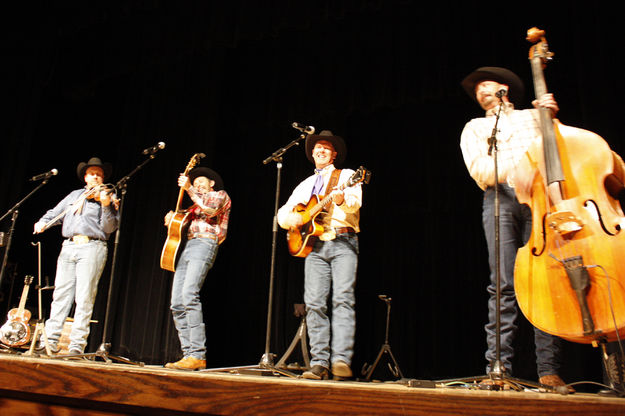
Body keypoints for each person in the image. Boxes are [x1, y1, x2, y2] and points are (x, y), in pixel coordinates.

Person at [459, 67, 568, 388]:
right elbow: (480, 170)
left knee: (543, 282)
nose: (480, 90)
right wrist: (521, 167)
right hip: (500, 198)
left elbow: (558, 149)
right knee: (503, 285)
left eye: (486, 84)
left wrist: (552, 119)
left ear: (504, 87)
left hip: (539, 198)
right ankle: (498, 367)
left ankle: (548, 369)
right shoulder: (475, 126)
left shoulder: (531, 117)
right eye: (476, 88)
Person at [277, 130, 362, 380]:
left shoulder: (347, 176)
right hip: (315, 246)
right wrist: (290, 219)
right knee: (314, 304)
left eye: (326, 148)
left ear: (334, 154)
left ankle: (341, 362)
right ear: (312, 154)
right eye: (317, 148)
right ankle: (319, 364)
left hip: (343, 240)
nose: (321, 151)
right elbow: (283, 212)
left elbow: (355, 203)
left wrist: (342, 198)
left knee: (343, 300)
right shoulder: (305, 184)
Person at [34, 157, 119, 355]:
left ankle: (76, 346)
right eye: (92, 173)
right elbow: (56, 213)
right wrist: (43, 222)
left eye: (99, 174)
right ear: (86, 177)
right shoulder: (74, 195)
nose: (96, 176)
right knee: (60, 296)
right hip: (69, 246)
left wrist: (106, 204)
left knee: (84, 298)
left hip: (92, 247)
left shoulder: (108, 196)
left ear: (103, 178)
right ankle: (50, 341)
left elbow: (109, 227)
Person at [163, 166, 231, 371]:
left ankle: (198, 353)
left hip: (205, 243)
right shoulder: (192, 208)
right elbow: (181, 220)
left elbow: (210, 210)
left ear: (211, 184)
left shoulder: (219, 195)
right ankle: (189, 354)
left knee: (189, 295)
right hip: (188, 247)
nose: (198, 184)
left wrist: (189, 190)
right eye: (195, 181)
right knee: (176, 302)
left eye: (202, 181)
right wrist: (171, 219)